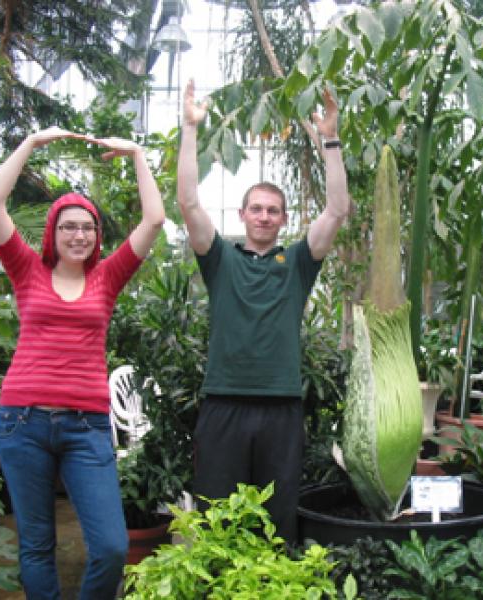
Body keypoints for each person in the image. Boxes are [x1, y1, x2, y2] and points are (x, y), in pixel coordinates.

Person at [0, 127, 165, 599]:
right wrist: (32, 144)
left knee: (110, 545)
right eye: (68, 226)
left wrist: (139, 154)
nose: (78, 234)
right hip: (22, 421)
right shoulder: (26, 269)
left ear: (97, 235)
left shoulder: (108, 276)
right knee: (37, 546)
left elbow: (155, 220)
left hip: (86, 427)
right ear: (53, 232)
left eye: (87, 227)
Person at [177, 79, 350, 541]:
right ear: (242, 214)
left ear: (284, 219)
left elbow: (336, 210)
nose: (265, 216)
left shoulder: (296, 262)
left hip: (281, 409)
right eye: (257, 209)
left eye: (274, 210)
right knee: (216, 521)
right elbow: (188, 202)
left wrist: (330, 139)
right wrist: (190, 130)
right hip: (223, 404)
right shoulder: (220, 260)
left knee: (277, 522)